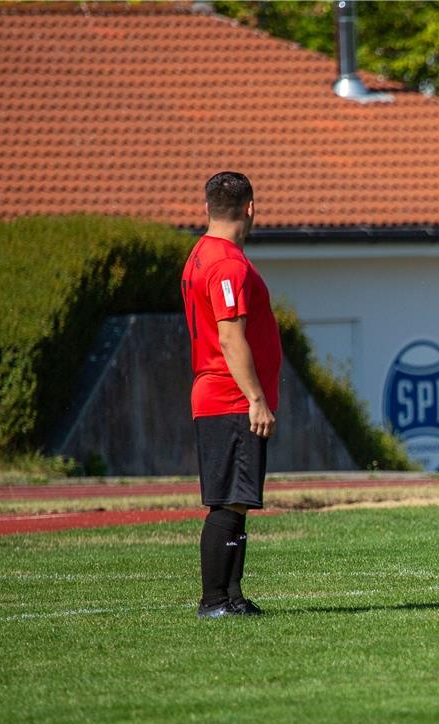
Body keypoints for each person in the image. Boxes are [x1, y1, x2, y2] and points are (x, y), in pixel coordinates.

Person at [181, 171, 280, 617]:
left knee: (237, 500)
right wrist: (256, 397)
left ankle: (234, 598)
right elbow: (230, 337)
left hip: (218, 394)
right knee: (228, 501)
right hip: (229, 397)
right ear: (251, 208)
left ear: (207, 208)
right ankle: (214, 600)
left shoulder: (200, 255)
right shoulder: (226, 263)